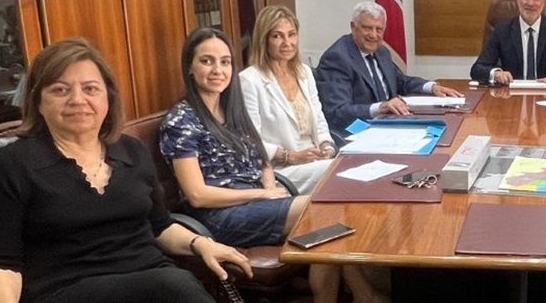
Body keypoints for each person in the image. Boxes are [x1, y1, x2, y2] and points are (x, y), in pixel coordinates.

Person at [0, 38, 251, 303]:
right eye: (60, 90)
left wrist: (200, 243)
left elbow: (160, 226)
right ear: (38, 102)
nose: (78, 99)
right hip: (66, 288)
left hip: (152, 278)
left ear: (108, 97)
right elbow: (0, 264)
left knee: (176, 284)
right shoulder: (11, 165)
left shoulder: (132, 151)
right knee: (174, 285)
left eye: (91, 89)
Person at [160, 28, 385, 303]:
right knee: (323, 209)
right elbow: (197, 195)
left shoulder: (231, 110)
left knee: (328, 219)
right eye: (207, 61)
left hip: (254, 204)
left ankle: (353, 295)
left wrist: (269, 184)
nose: (218, 70)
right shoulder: (181, 120)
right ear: (190, 67)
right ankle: (362, 295)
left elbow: (261, 158)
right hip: (219, 216)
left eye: (225, 61)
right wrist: (262, 194)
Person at [318, 1, 464, 139]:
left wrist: (432, 87)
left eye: (379, 29)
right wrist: (380, 107)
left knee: (444, 132)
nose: (373, 35)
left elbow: (400, 81)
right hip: (359, 131)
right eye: (367, 28)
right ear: (353, 27)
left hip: (389, 124)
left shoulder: (381, 51)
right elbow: (337, 112)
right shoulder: (337, 58)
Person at [240, 6, 335, 193]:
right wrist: (290, 156)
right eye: (277, 36)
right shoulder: (249, 80)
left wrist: (326, 146)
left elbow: (319, 119)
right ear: (264, 40)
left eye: (292, 35)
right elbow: (250, 140)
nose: (287, 43)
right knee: (339, 172)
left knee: (351, 164)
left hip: (316, 159)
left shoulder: (304, 72)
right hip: (280, 169)